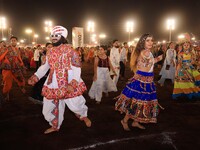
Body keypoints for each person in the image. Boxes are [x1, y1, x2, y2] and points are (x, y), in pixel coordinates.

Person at [28, 25, 91, 134]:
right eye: (52, 35)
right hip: (53, 82)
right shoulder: (50, 51)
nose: (53, 37)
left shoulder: (71, 51)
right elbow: (45, 66)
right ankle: (55, 125)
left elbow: (77, 68)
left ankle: (83, 115)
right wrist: (36, 76)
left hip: (69, 80)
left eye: (56, 35)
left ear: (62, 37)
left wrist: (73, 83)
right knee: (50, 104)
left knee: (75, 101)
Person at [115, 33, 163, 131]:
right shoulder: (144, 52)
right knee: (136, 103)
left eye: (151, 40)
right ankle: (124, 121)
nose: (150, 42)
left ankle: (135, 122)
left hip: (147, 81)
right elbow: (144, 69)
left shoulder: (148, 52)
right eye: (147, 40)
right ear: (143, 42)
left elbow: (148, 65)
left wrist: (156, 59)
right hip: (141, 82)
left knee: (142, 103)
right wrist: (155, 60)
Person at [172, 35, 200, 99]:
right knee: (181, 81)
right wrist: (177, 71)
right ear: (182, 46)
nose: (186, 46)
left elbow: (193, 61)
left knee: (191, 81)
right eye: (185, 45)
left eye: (188, 45)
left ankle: (190, 92)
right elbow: (179, 63)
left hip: (190, 68)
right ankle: (183, 93)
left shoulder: (192, 53)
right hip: (182, 68)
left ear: (190, 46)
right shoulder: (180, 54)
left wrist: (193, 63)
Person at [0, 36, 26, 101]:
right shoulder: (6, 49)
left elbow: (19, 57)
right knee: (7, 82)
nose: (13, 41)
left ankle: (22, 87)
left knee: (20, 78)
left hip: (16, 67)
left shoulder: (17, 49)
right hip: (7, 68)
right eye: (12, 40)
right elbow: (1, 57)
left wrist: (22, 64)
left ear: (16, 42)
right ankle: (6, 94)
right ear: (10, 42)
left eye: (14, 40)